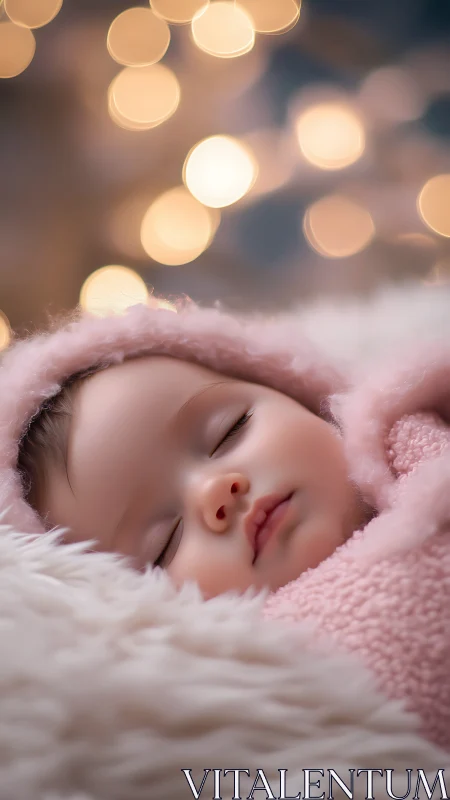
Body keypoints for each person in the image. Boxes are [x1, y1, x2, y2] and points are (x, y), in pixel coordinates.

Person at [1, 298, 449, 750]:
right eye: (165, 543)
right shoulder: (263, 693)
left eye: (229, 431)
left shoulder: (420, 415)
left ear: (298, 393)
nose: (215, 491)